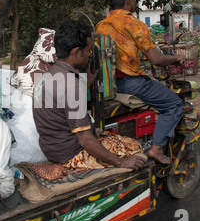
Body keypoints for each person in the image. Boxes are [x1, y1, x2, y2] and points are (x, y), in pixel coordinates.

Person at [32, 19, 146, 171]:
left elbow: (61, 101)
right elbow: (85, 140)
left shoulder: (47, 76)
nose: (88, 55)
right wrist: (120, 162)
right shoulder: (71, 85)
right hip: (72, 155)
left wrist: (85, 84)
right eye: (87, 51)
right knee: (135, 147)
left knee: (109, 137)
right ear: (76, 52)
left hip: (52, 149)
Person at [95, 0, 185, 164]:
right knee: (174, 104)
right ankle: (157, 148)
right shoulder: (134, 24)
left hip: (109, 85)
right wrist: (176, 58)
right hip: (132, 83)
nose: (135, 2)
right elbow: (156, 59)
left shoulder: (101, 25)